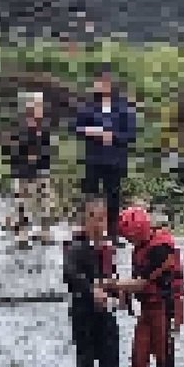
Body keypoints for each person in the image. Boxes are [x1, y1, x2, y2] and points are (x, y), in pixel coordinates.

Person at [105, 206, 184, 367]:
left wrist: (112, 285)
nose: (129, 241)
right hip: (148, 308)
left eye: (131, 236)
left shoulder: (161, 248)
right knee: (138, 357)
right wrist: (122, 293)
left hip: (164, 307)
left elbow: (140, 283)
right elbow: (137, 282)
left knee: (164, 360)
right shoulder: (140, 247)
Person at [63, 196, 122, 367]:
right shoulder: (77, 246)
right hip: (83, 309)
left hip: (103, 310)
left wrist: (117, 292)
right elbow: (69, 273)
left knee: (110, 357)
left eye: (104, 219)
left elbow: (110, 275)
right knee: (85, 360)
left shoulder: (105, 247)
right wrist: (90, 290)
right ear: (87, 220)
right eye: (97, 219)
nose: (101, 224)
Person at [75, 68, 136, 243]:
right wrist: (91, 131)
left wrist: (112, 135)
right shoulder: (89, 105)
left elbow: (130, 134)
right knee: (90, 194)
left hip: (114, 159)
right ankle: (89, 229)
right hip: (93, 158)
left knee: (113, 196)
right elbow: (77, 127)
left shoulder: (123, 107)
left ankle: (112, 233)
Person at [4, 91, 53, 243]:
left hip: (41, 171)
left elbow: (47, 149)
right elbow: (11, 151)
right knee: (23, 203)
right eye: (37, 106)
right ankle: (22, 233)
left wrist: (43, 162)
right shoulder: (19, 127)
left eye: (41, 106)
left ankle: (44, 231)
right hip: (23, 171)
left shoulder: (44, 127)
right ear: (29, 107)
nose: (40, 109)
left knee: (44, 202)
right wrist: (26, 156)